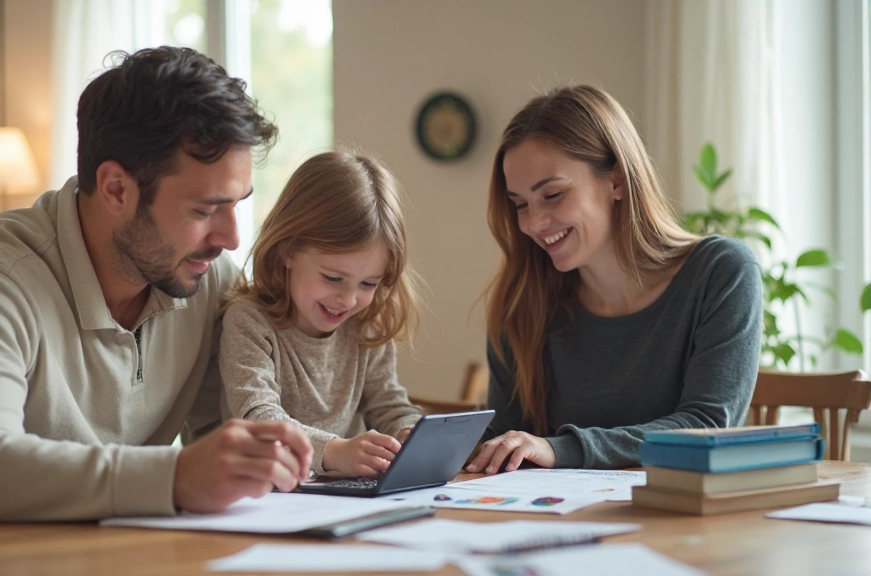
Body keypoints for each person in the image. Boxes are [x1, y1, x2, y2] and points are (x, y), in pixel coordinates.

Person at [0, 47, 313, 527]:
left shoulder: (206, 281)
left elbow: (225, 434)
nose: (230, 239)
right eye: (206, 210)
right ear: (116, 189)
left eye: (237, 204)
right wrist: (176, 476)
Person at [466, 85, 762, 474]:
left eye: (552, 194)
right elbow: (509, 436)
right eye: (520, 204)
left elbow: (708, 425)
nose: (533, 223)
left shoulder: (720, 272)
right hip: (561, 519)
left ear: (618, 180)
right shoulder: (523, 301)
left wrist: (563, 449)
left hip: (683, 522)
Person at [220, 150, 424, 477]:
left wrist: (409, 433)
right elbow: (258, 415)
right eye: (333, 278)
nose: (348, 299)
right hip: (257, 493)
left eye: (369, 283)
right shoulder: (250, 321)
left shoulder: (366, 326)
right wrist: (335, 451)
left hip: (331, 499)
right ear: (288, 250)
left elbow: (388, 404)